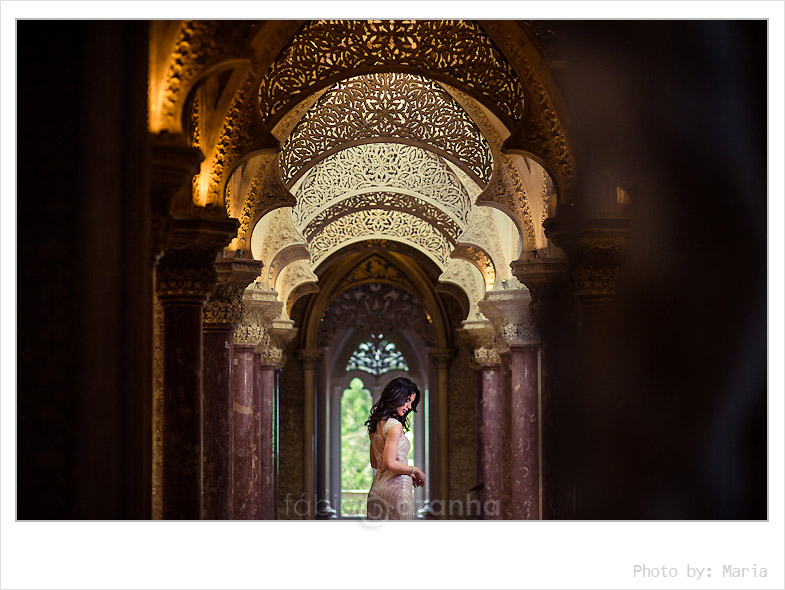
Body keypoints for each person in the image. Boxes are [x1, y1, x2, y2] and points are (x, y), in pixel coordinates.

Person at [365, 377, 426, 520]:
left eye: (411, 402)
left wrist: (408, 474)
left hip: (377, 489)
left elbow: (376, 464)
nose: (409, 406)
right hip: (398, 490)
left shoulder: (376, 425)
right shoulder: (395, 426)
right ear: (395, 396)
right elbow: (389, 463)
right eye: (407, 400)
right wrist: (415, 470)